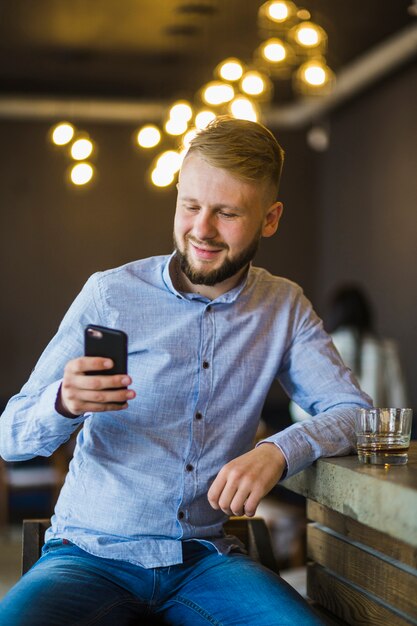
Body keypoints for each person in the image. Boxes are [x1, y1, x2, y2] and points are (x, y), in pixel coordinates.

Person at [0, 116, 372, 626]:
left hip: (203, 560)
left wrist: (277, 452)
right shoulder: (110, 293)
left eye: (226, 213)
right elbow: (11, 437)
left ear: (270, 218)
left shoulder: (282, 306)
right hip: (87, 555)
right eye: (190, 205)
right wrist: (63, 402)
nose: (201, 229)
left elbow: (354, 411)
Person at [290, 285, 408, 422]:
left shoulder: (323, 345)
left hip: (330, 437)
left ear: (334, 312)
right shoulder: (387, 349)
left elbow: (300, 412)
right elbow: (400, 405)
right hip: (376, 437)